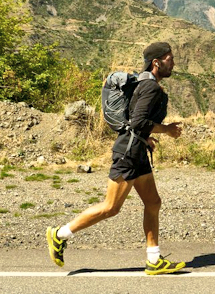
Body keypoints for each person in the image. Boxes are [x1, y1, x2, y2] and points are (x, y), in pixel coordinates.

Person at [46, 42, 185, 275]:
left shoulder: (145, 83)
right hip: (128, 154)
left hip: (137, 151)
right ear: (156, 62)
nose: (173, 62)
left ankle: (154, 260)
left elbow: (133, 120)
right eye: (169, 58)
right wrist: (167, 129)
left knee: (153, 203)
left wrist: (145, 138)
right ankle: (59, 235)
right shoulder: (150, 87)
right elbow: (139, 121)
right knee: (111, 207)